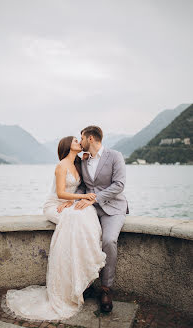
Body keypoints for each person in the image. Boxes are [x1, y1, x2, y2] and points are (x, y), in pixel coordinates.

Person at [1, 136, 107, 323]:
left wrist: (74, 200)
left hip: (68, 203)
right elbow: (59, 193)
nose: (78, 142)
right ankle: (68, 287)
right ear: (68, 146)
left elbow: (77, 188)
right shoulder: (61, 166)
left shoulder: (78, 163)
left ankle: (84, 274)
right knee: (74, 220)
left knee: (86, 213)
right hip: (55, 206)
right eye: (75, 140)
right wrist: (73, 199)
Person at [74, 125, 129, 313]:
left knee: (109, 240)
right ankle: (87, 282)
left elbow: (119, 185)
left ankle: (106, 288)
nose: (79, 142)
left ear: (90, 138)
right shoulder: (83, 160)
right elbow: (82, 186)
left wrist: (95, 198)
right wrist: (75, 200)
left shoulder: (115, 156)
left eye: (81, 138)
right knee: (81, 237)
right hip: (90, 209)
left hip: (113, 208)